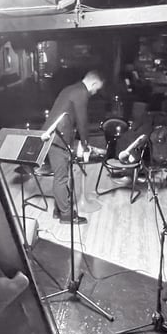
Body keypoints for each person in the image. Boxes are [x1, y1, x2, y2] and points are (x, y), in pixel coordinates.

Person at [42, 70, 104, 224]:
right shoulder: (81, 92)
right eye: (97, 88)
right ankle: (66, 215)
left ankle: (59, 210)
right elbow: (82, 121)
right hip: (58, 138)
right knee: (62, 178)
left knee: (61, 176)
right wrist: (85, 144)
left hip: (53, 136)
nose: (95, 92)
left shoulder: (70, 89)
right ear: (94, 83)